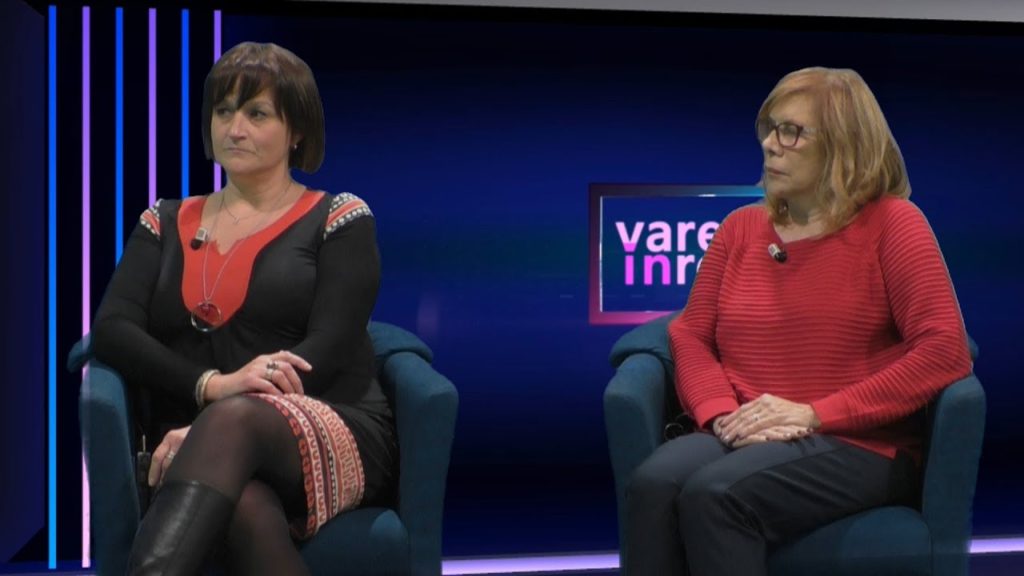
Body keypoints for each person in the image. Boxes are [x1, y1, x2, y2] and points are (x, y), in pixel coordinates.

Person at [623, 67, 973, 575]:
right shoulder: (740, 228)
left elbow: (944, 350)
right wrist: (722, 414)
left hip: (859, 442)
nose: (770, 144)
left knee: (717, 494)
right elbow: (690, 333)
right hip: (746, 427)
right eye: (769, 128)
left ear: (843, 146)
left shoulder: (894, 225)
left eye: (791, 131)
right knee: (652, 485)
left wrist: (813, 414)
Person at [91, 42, 396, 576]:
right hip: (205, 439)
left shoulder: (339, 218)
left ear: (296, 130)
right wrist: (211, 386)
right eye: (224, 111)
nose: (234, 129)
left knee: (231, 427)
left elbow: (331, 345)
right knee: (243, 505)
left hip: (329, 419)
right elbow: (112, 330)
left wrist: (218, 418)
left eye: (257, 114)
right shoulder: (163, 221)